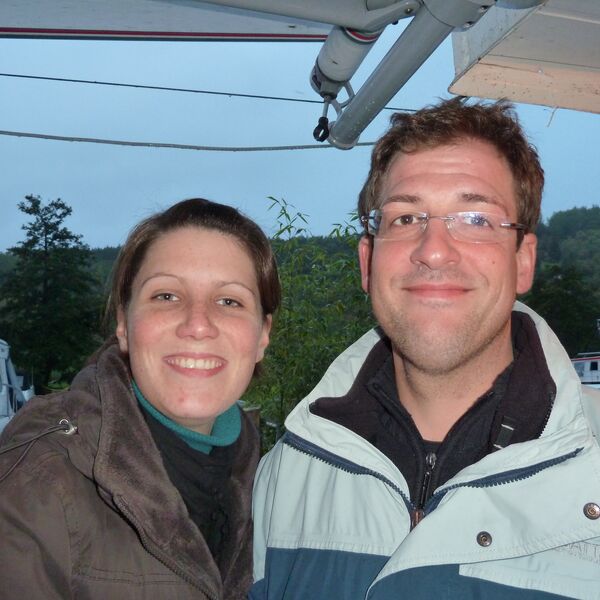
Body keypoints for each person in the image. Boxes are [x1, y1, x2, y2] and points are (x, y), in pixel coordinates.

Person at [251, 98, 600, 599]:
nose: (433, 250)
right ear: (368, 262)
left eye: (476, 218)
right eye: (405, 218)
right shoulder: (287, 474)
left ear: (523, 261)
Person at [0, 198, 280, 599]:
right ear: (124, 323)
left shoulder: (278, 486)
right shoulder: (36, 486)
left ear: (262, 335)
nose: (198, 325)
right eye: (166, 296)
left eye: (229, 301)